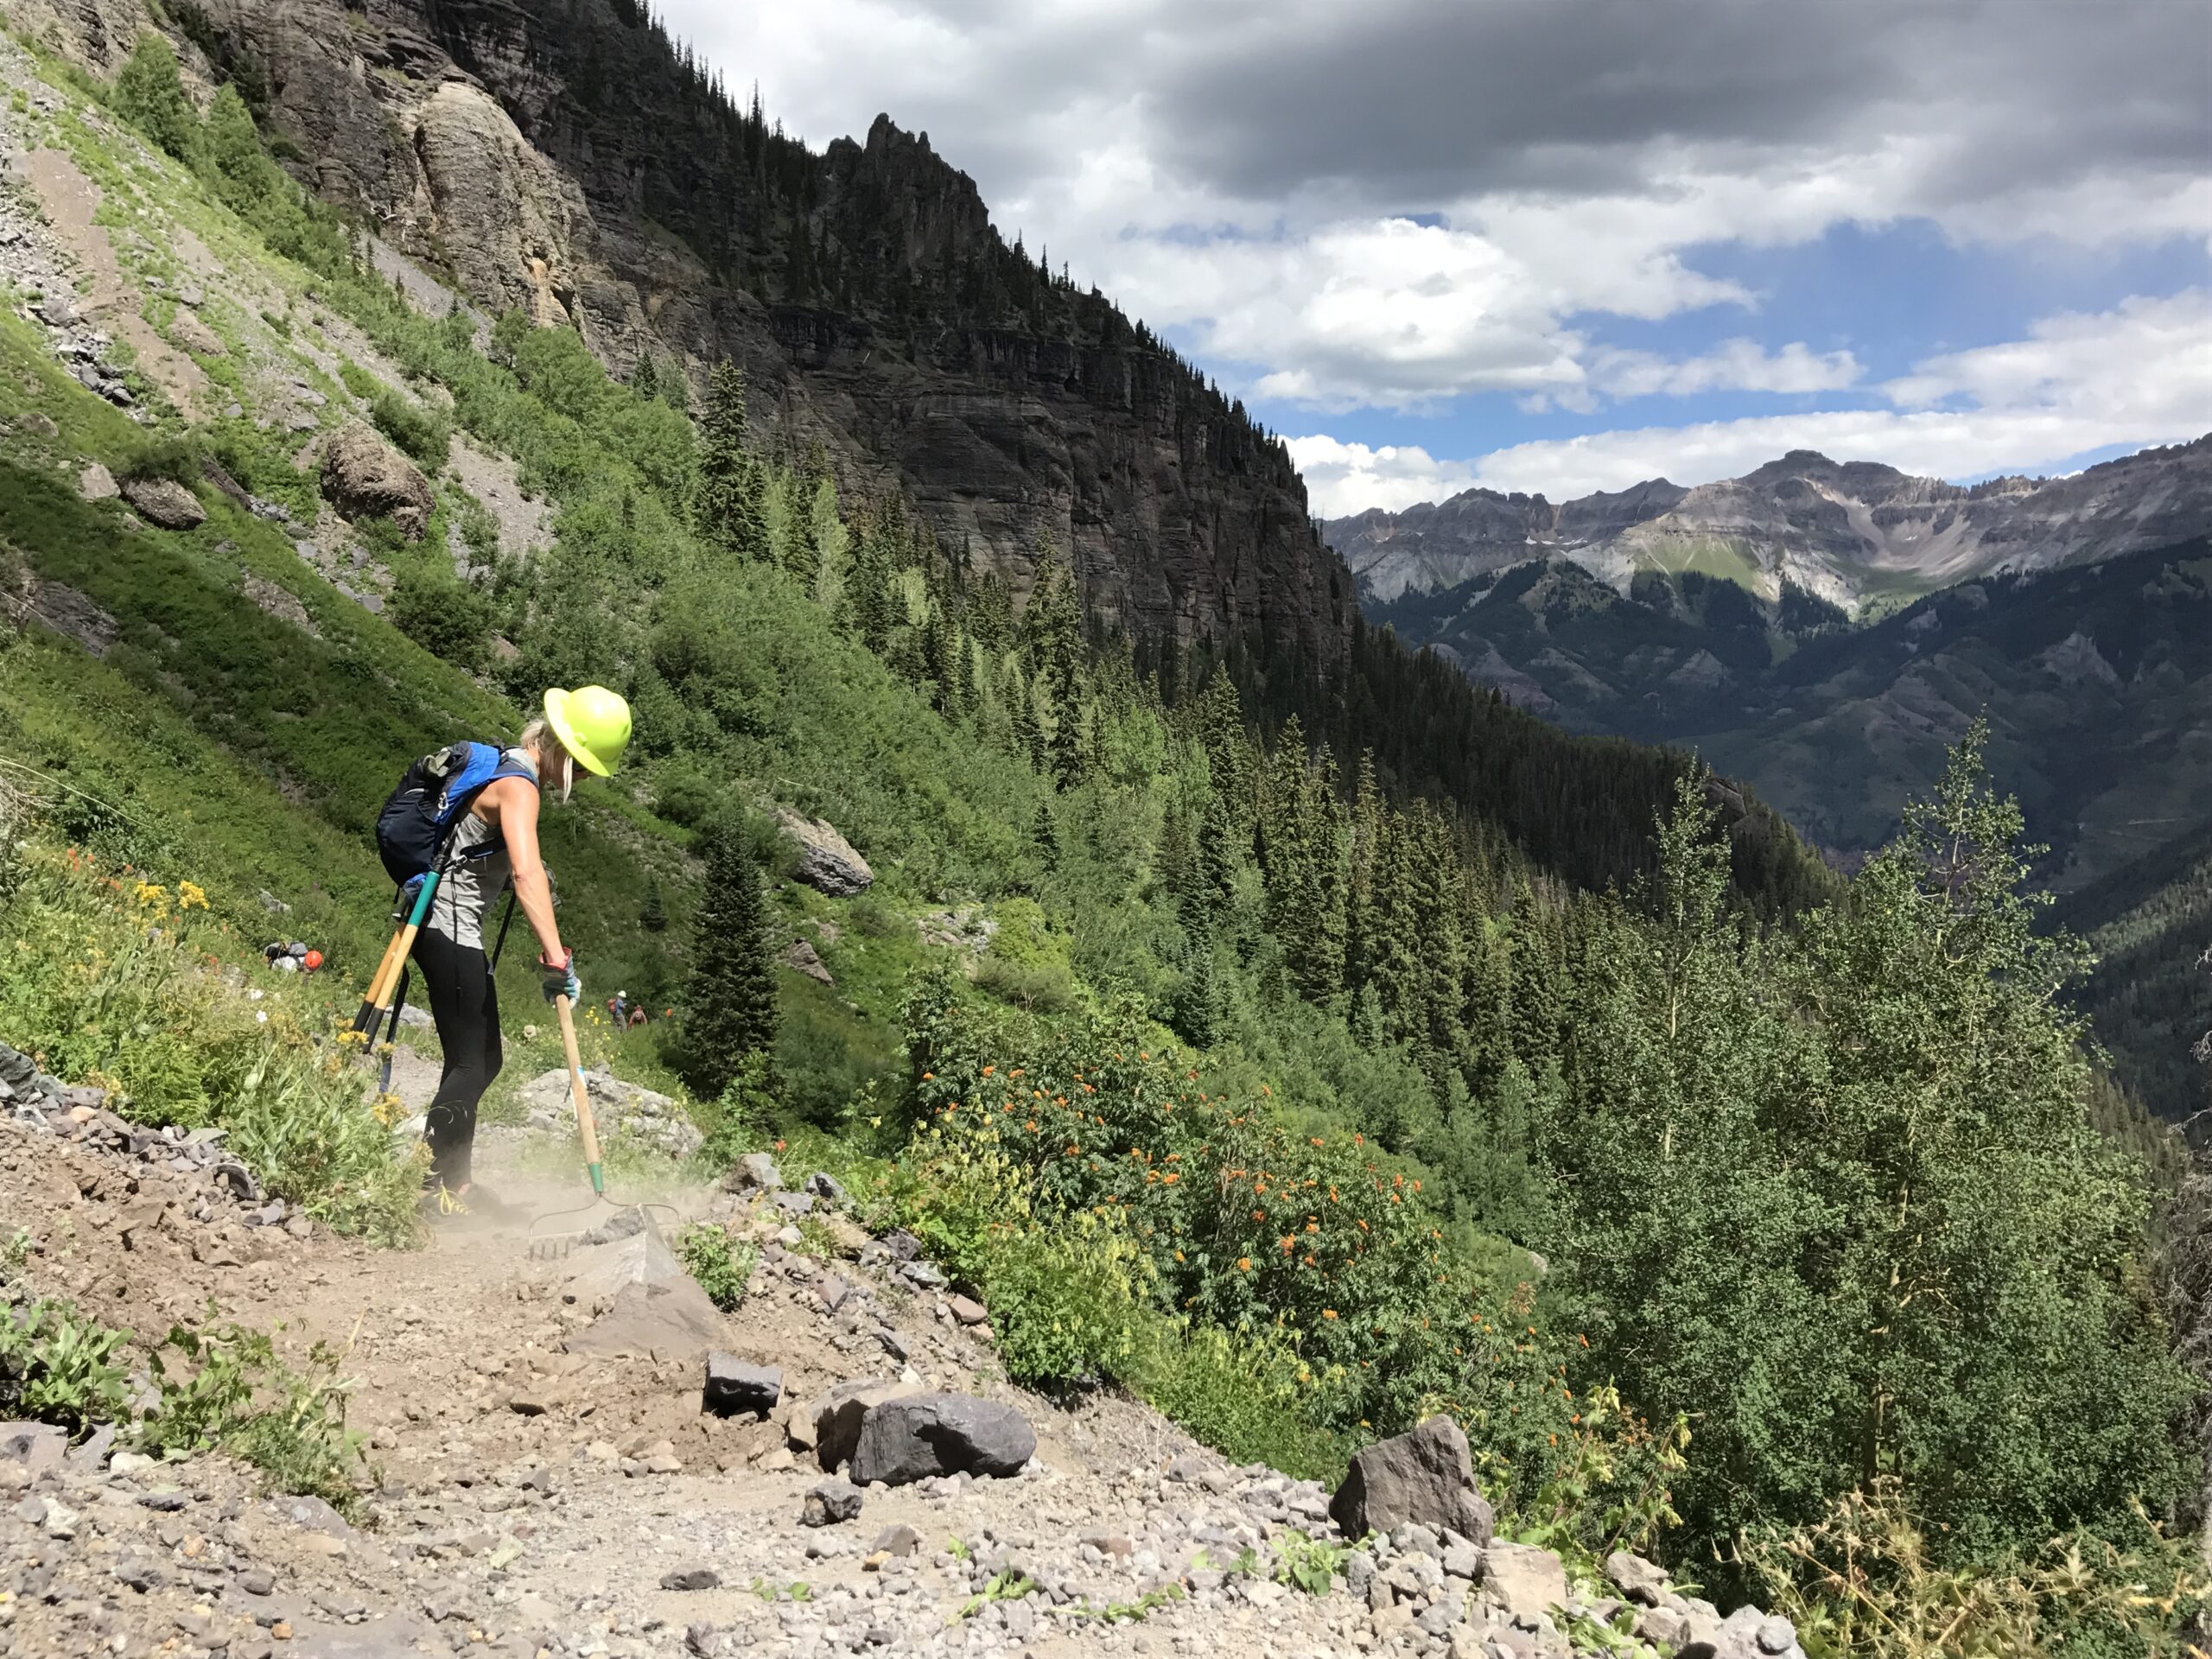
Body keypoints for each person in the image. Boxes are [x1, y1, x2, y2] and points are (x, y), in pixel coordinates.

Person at [414, 685, 631, 1213]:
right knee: (470, 1063)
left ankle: (454, 1179)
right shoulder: (520, 786)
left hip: (446, 923)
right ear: (557, 745)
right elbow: (528, 874)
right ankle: (429, 1187)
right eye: (578, 765)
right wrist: (557, 956)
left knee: (485, 1059)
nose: (577, 777)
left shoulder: (508, 770)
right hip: (448, 924)